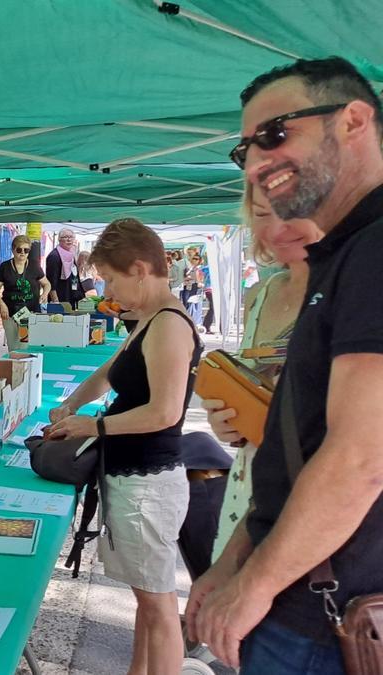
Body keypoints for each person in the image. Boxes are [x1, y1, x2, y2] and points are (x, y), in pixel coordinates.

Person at [188, 56, 383, 673]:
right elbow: (302, 449)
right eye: (244, 148)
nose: (255, 162)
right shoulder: (343, 256)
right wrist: (232, 564)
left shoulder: (375, 250)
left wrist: (252, 586)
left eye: (275, 134)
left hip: (327, 617)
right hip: (304, 603)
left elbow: (362, 458)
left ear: (353, 120)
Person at [46, 217, 201, 675]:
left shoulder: (169, 324)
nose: (110, 290)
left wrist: (91, 426)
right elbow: (109, 372)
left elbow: (165, 413)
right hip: (134, 479)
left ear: (139, 268)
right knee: (145, 597)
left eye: (112, 279)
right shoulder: (148, 319)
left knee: (157, 604)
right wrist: (72, 403)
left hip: (149, 482)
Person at [200, 182, 321, 568]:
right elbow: (248, 384)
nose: (275, 227)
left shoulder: (350, 293)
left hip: (315, 499)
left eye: (290, 210)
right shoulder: (260, 294)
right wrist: (226, 420)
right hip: (248, 486)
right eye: (262, 214)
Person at [0, 234, 51, 352]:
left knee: (26, 345)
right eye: (19, 250)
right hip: (10, 311)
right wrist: (2, 305)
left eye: (26, 250)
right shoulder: (5, 267)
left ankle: (26, 368)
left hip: (30, 311)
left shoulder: (34, 266)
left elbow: (46, 284)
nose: (22, 253)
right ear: (13, 250)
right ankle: (13, 367)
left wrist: (44, 294)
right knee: (13, 346)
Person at [45, 227, 84, 307]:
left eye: (71, 237)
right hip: (61, 300)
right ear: (59, 239)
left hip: (71, 297)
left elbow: (74, 276)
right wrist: (56, 303)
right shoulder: (54, 256)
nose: (69, 240)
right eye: (65, 237)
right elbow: (51, 282)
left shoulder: (71, 254)